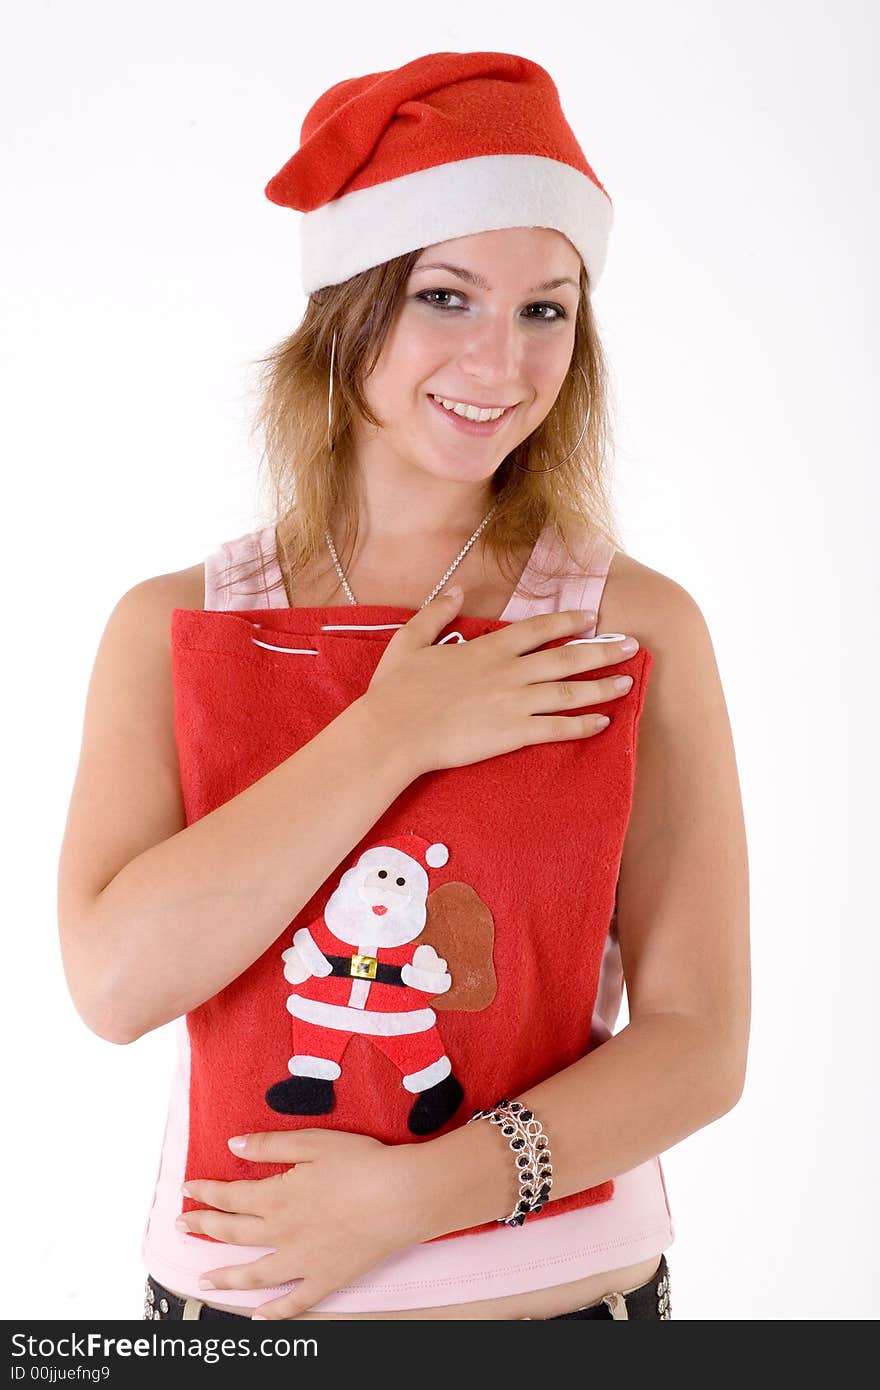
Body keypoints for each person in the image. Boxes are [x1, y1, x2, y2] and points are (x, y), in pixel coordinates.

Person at [57, 50, 750, 1322]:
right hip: (238, 1326)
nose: (501, 361)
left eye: (547, 309)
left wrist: (417, 1193)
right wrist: (391, 732)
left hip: (561, 1316)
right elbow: (115, 984)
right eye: (447, 296)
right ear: (347, 305)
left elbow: (700, 1043)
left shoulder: (625, 625)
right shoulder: (177, 625)